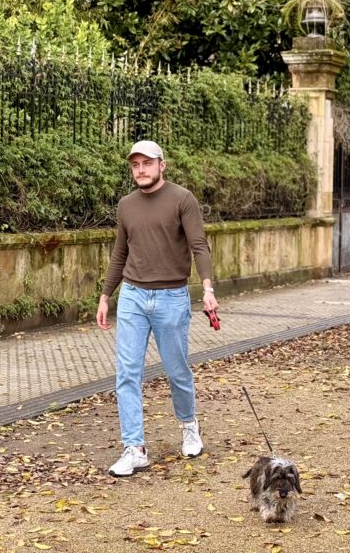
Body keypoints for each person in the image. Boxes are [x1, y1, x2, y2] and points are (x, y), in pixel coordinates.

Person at [96, 139, 218, 477]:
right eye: (135, 165)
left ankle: (189, 426)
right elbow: (120, 253)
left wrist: (207, 288)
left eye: (147, 164)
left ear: (161, 165)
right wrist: (107, 295)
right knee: (127, 374)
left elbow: (199, 245)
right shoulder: (126, 205)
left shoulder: (182, 199)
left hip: (171, 298)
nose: (141, 170)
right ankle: (134, 448)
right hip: (133, 297)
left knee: (177, 371)